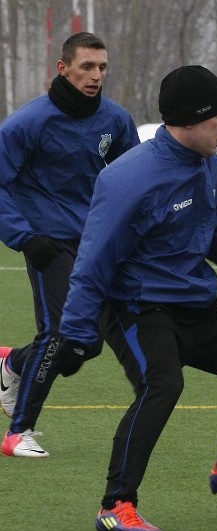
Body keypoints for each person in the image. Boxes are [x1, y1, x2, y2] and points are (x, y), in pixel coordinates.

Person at [52, 65, 217, 531]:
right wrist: (77, 333)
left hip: (197, 305)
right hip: (136, 309)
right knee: (163, 385)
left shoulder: (211, 166)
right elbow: (92, 262)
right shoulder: (130, 177)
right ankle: (116, 505)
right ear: (188, 120)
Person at [0, 32, 139, 458]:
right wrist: (26, 238)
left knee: (83, 348)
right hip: (47, 244)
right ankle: (18, 433)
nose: (96, 76)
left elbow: (135, 180)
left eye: (102, 68)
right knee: (61, 334)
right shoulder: (27, 124)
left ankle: (12, 364)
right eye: (87, 67)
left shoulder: (116, 121)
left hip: (96, 245)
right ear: (63, 68)